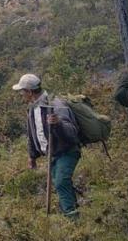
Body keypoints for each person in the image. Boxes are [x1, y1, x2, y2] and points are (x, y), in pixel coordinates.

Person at [12, 73, 81, 218]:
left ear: (30, 92)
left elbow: (72, 133)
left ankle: (72, 218)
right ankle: (72, 212)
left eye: (22, 91)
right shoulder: (32, 109)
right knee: (61, 184)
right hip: (52, 155)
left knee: (61, 182)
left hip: (67, 152)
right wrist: (32, 156)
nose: (21, 95)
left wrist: (58, 124)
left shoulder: (55, 105)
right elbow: (32, 134)